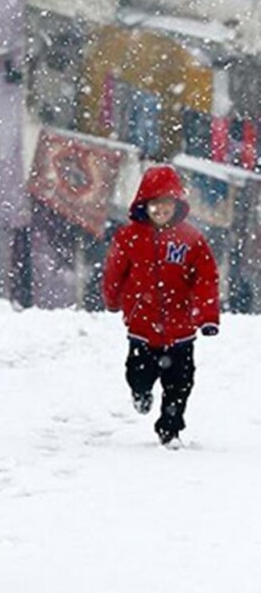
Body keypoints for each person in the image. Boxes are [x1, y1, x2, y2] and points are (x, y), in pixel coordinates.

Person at [102, 165, 220, 446]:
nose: (161, 210)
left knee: (180, 384)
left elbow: (205, 279)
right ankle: (141, 393)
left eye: (166, 203)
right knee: (138, 373)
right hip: (142, 325)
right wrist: (112, 299)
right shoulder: (128, 237)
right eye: (155, 204)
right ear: (145, 205)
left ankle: (170, 429)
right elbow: (114, 271)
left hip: (181, 329)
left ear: (176, 205)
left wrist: (207, 316)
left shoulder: (192, 240)